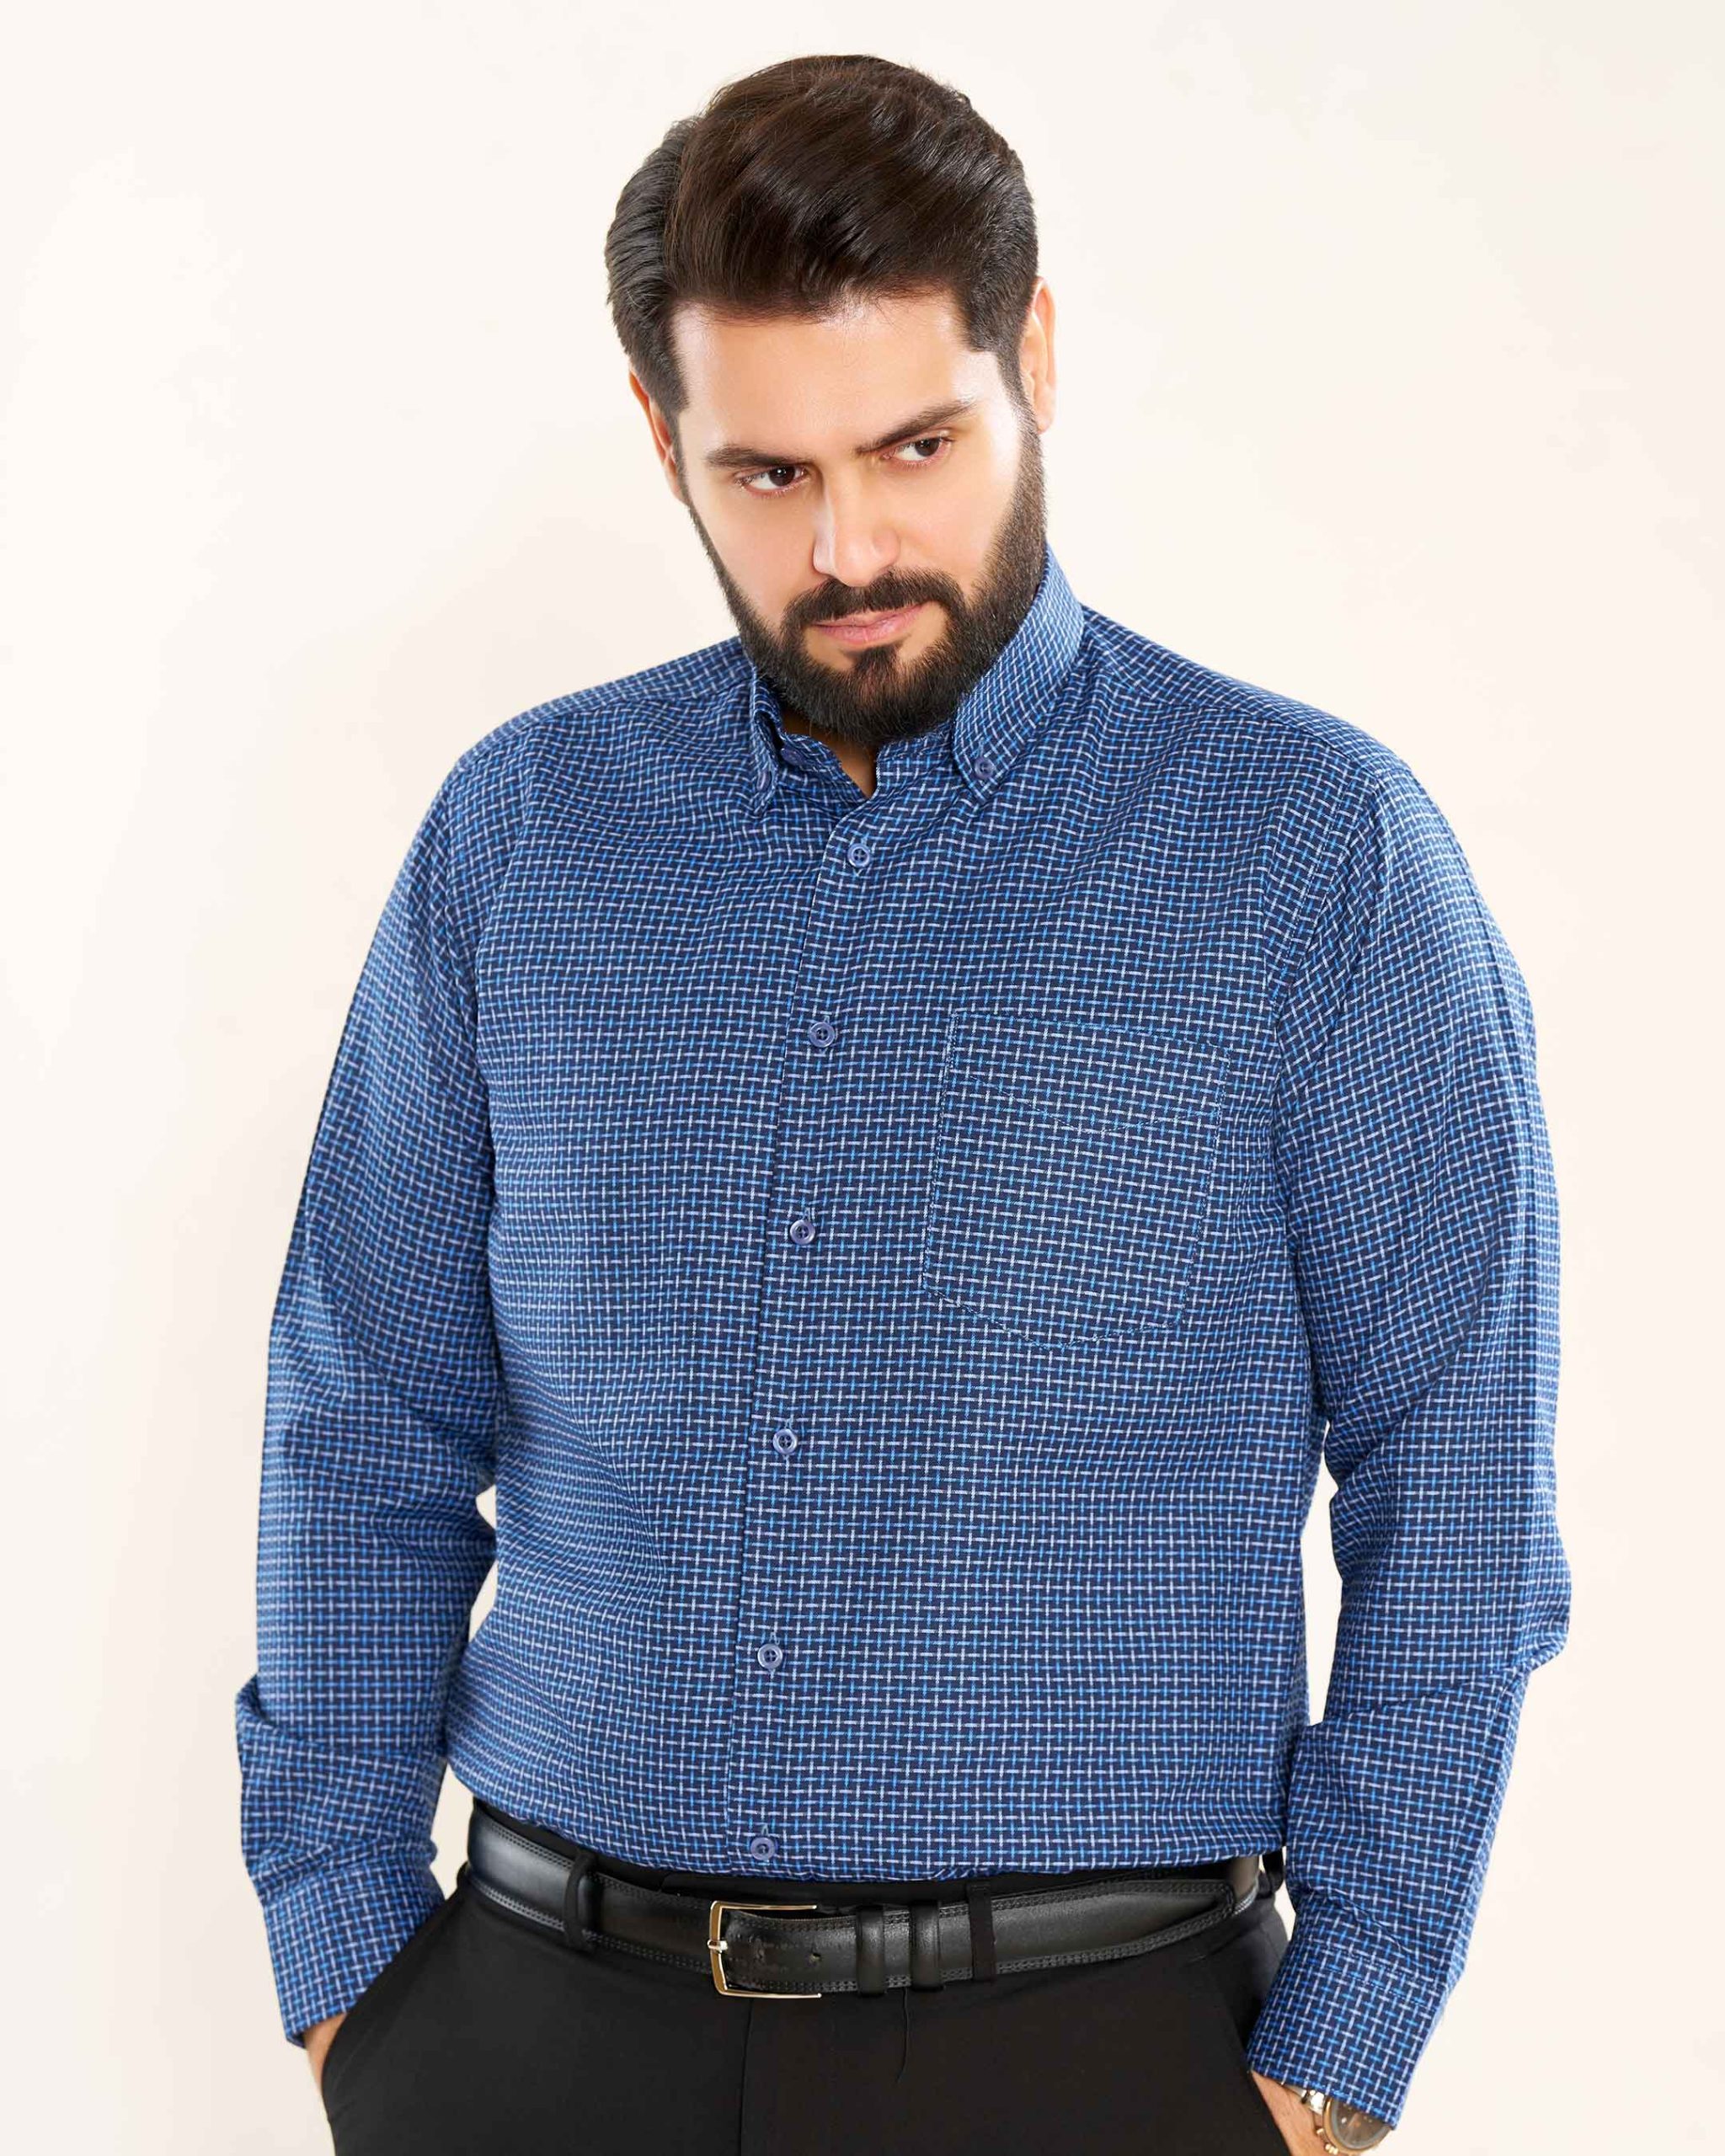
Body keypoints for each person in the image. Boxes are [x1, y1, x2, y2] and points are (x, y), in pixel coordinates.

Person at [234, 50, 1570, 2156]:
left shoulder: (1311, 856)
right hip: (535, 2034)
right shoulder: (526, 833)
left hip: (1093, 2051)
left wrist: (1334, 2051)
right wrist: (347, 1971)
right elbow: (366, 1408)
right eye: (766, 473)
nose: (849, 544)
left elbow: (1457, 1485)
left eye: (915, 446)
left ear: (1031, 358)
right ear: (662, 435)